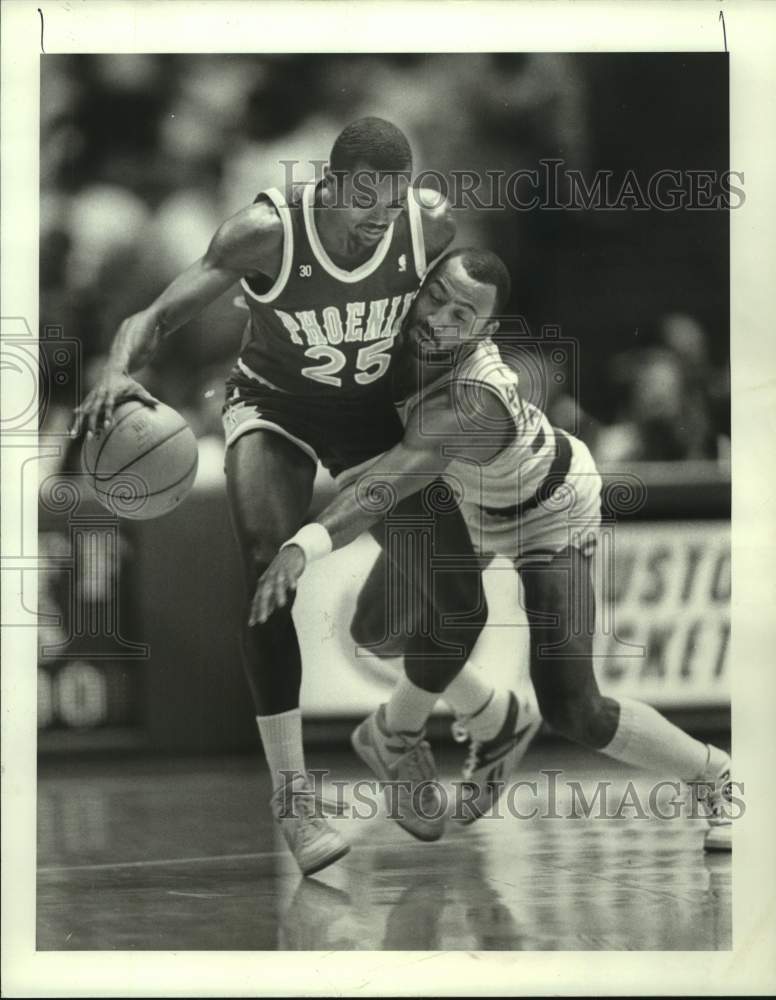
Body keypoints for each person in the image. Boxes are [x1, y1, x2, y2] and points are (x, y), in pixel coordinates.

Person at [70, 117, 457, 876]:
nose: (381, 214)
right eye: (366, 197)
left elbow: (447, 324)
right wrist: (118, 370)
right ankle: (293, 797)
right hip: (274, 406)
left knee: (453, 589)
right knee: (266, 571)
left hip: (371, 413)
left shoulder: (430, 226)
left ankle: (398, 733)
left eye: (393, 197)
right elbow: (152, 317)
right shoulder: (265, 233)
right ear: (332, 185)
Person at [253, 248, 733, 852]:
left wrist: (305, 543)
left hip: (548, 508)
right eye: (436, 298)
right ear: (418, 287)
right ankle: (493, 717)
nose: (440, 320)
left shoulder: (472, 398)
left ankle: (716, 775)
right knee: (376, 631)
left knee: (573, 707)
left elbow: (387, 481)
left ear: (483, 331)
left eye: (463, 314)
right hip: (467, 508)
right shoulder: (382, 330)